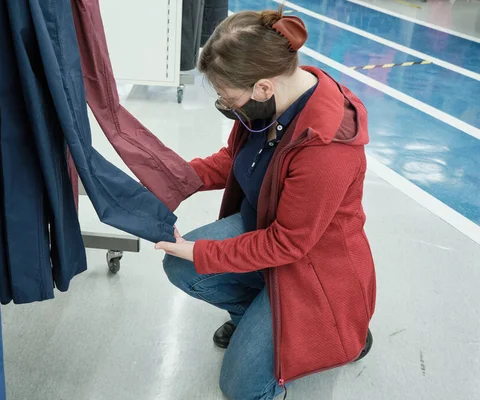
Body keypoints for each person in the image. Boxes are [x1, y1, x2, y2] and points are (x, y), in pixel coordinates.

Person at [155, 9, 376, 400]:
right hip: (265, 226)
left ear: (262, 88)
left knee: (240, 388)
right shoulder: (272, 103)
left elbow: (287, 245)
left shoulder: (327, 147)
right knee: (181, 265)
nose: (225, 103)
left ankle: (341, 332)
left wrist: (202, 251)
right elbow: (235, 160)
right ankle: (255, 316)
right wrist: (174, 181)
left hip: (313, 269)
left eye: (227, 97)